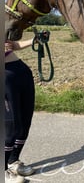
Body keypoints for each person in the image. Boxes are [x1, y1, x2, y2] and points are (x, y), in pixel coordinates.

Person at [5, 38, 36, 183]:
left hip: (20, 72)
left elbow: (12, 45)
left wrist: (34, 40)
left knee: (24, 122)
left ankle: (13, 160)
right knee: (11, 126)